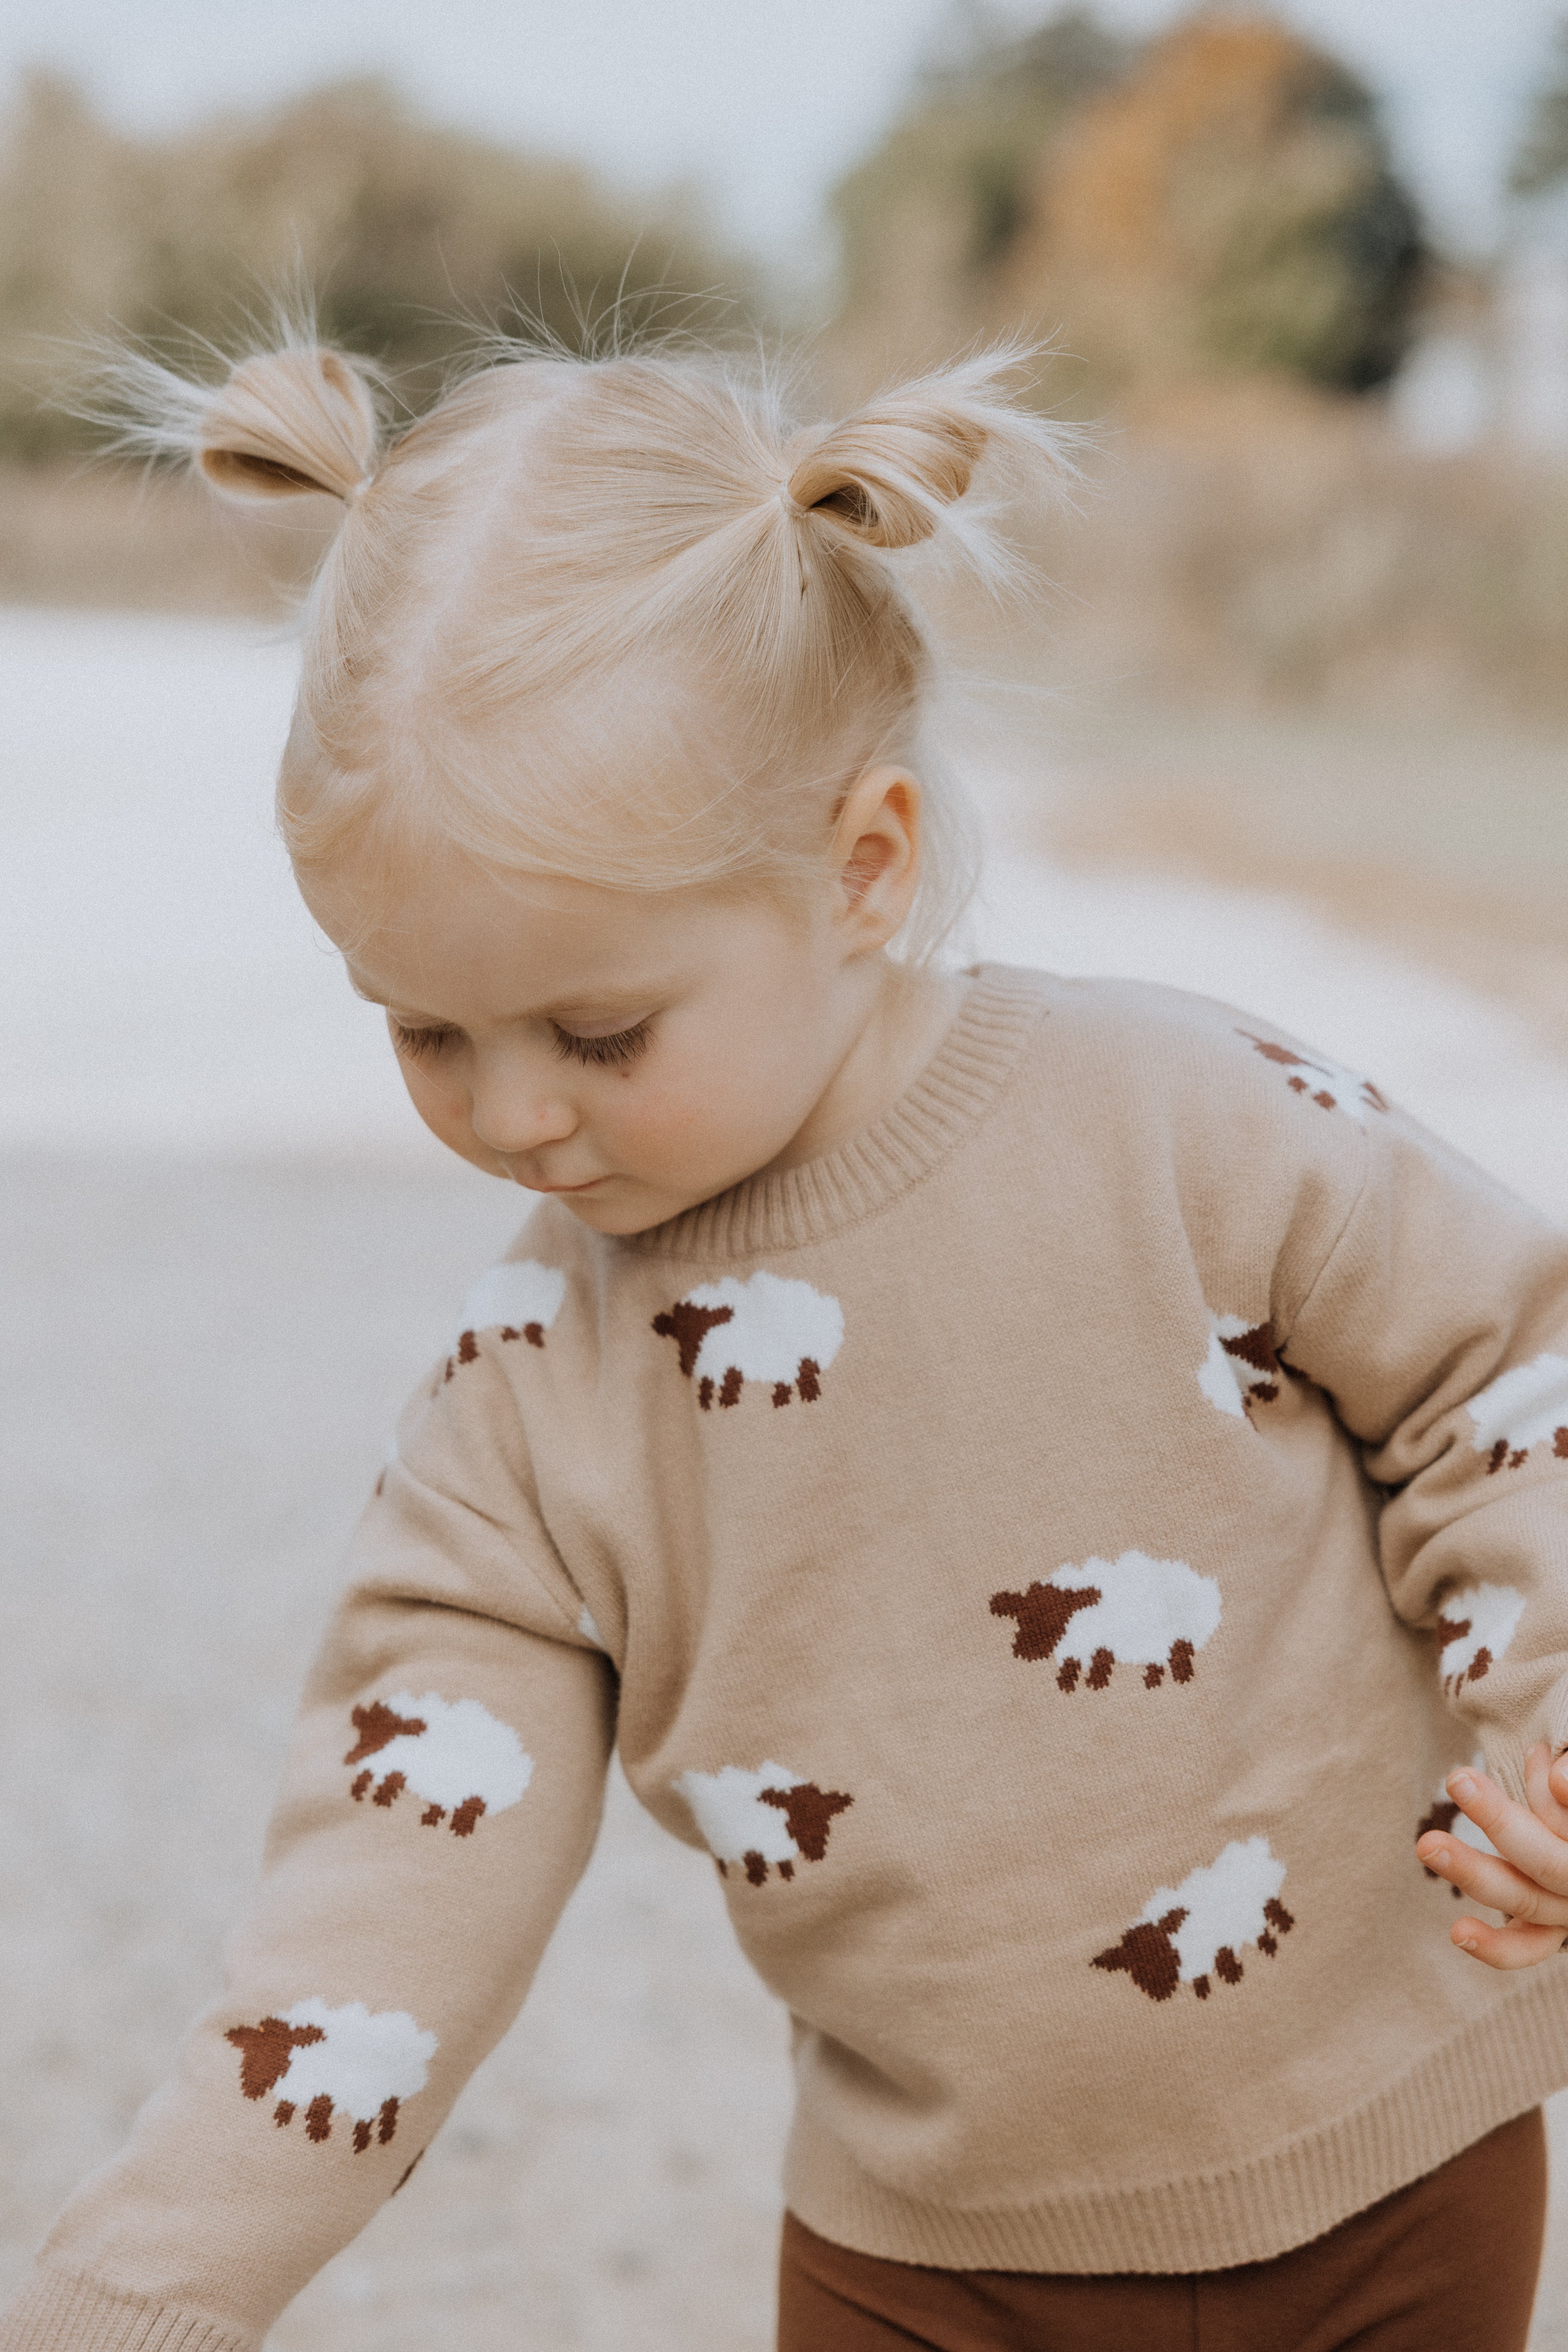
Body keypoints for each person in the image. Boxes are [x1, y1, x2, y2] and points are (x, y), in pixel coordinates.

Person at [6, 325, 1568, 2352]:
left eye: (597, 1031)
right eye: (422, 1031)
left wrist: (1548, 1713)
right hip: (921, 2261)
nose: (509, 1116)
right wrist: (137, 2297)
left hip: (1392, 2173)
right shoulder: (528, 1409)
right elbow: (385, 1890)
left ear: (863, 866)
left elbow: (1504, 1381)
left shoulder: (1183, 1123)